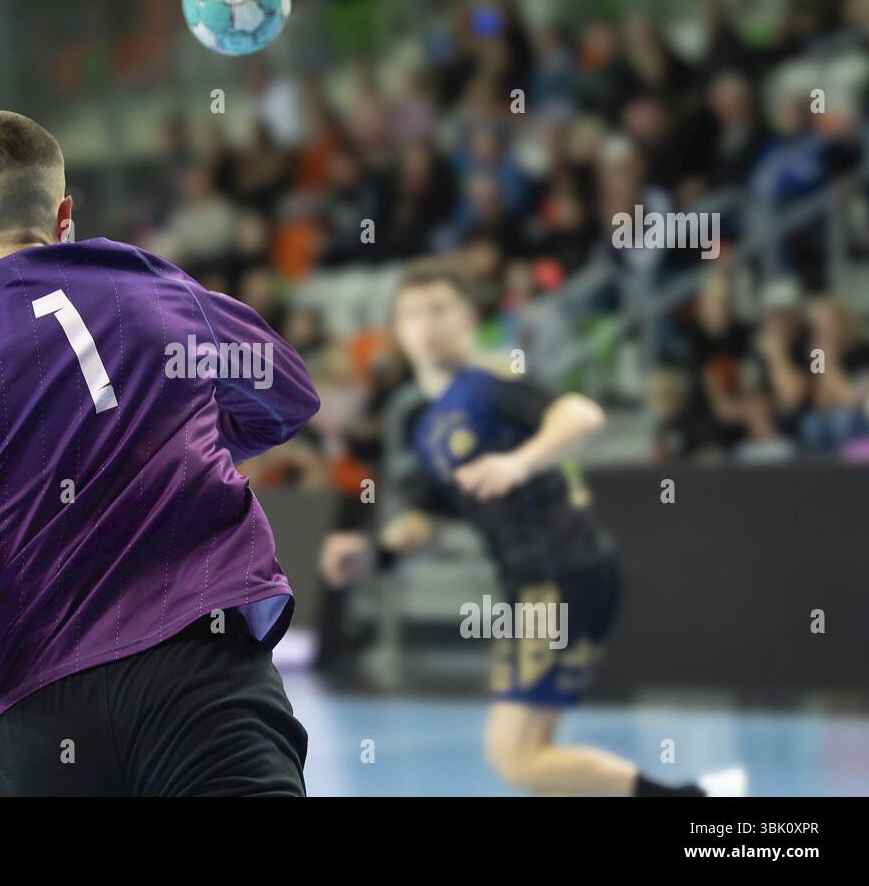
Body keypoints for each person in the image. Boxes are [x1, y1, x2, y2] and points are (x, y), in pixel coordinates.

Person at [0, 110, 319, 796]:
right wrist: (172, 435)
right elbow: (288, 396)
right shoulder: (151, 283)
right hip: (206, 678)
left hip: (42, 712)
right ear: (65, 213)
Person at [319, 261, 745, 796]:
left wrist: (519, 462)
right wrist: (373, 556)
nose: (425, 323)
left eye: (439, 309)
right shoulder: (423, 425)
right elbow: (425, 522)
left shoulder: (490, 383)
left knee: (516, 756)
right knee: (527, 754)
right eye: (411, 313)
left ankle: (699, 801)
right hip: (534, 584)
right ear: (397, 330)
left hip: (559, 573)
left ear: (469, 317)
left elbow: (581, 415)